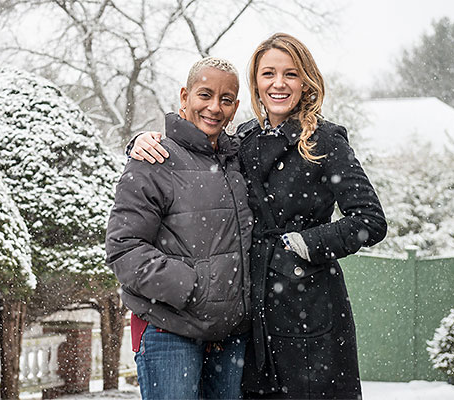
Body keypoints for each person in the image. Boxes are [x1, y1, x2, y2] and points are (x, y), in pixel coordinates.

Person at [129, 33, 387, 400]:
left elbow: (370, 220)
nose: (278, 83)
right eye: (269, 74)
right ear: (256, 82)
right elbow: (198, 154)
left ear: (306, 82)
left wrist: (304, 244)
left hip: (310, 308)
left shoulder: (325, 141)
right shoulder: (244, 139)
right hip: (251, 317)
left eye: (290, 74)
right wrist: (142, 142)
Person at [105, 57, 253, 400]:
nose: (214, 107)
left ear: (235, 108)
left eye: (225, 99)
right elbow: (123, 247)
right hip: (168, 330)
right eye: (205, 95)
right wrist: (193, 288)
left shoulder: (238, 162)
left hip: (229, 338)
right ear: (185, 96)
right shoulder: (153, 159)